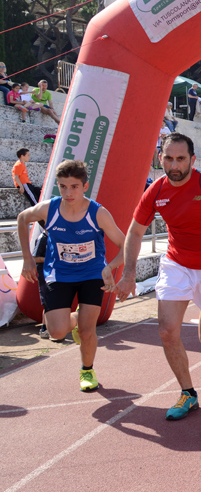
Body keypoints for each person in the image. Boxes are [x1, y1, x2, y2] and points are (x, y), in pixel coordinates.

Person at [114, 133, 201, 420]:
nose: (174, 165)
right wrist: (128, 274)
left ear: (192, 159)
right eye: (168, 158)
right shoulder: (156, 190)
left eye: (180, 159)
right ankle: (188, 393)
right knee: (167, 330)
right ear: (160, 158)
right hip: (177, 264)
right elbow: (135, 232)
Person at [17, 160, 126, 392]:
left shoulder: (98, 213)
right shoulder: (49, 209)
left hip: (92, 274)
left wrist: (111, 267)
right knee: (56, 332)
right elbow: (22, 218)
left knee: (87, 331)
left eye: (74, 187)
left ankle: (87, 370)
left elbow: (124, 245)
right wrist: (27, 258)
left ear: (85, 186)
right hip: (59, 273)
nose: (68, 193)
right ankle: (75, 319)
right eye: (63, 186)